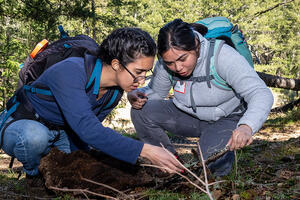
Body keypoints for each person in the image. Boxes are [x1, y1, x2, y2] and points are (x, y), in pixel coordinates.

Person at [0, 27, 184, 183]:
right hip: (23, 122)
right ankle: (33, 178)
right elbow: (87, 128)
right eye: (138, 72)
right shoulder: (70, 70)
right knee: (33, 138)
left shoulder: (113, 92)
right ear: (116, 64)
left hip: (64, 132)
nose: (142, 80)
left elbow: (86, 132)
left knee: (75, 172)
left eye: (146, 72)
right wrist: (147, 150)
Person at [128, 19, 274, 176]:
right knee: (141, 111)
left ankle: (218, 161)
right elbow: (156, 92)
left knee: (209, 164)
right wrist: (137, 95)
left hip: (228, 118)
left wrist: (247, 126)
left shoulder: (222, 56)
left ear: (196, 46)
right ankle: (169, 164)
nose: (178, 68)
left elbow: (260, 93)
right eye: (170, 63)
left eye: (183, 59)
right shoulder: (166, 63)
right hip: (188, 116)